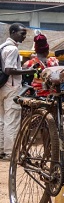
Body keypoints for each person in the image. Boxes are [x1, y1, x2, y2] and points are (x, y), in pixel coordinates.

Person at [0, 24, 36, 160]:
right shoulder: (13, 49)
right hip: (11, 87)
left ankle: (1, 149)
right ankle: (10, 153)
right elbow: (9, 70)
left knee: (1, 120)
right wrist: (29, 71)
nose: (24, 36)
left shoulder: (2, 47)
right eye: (22, 33)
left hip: (1, 87)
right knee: (12, 120)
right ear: (13, 32)